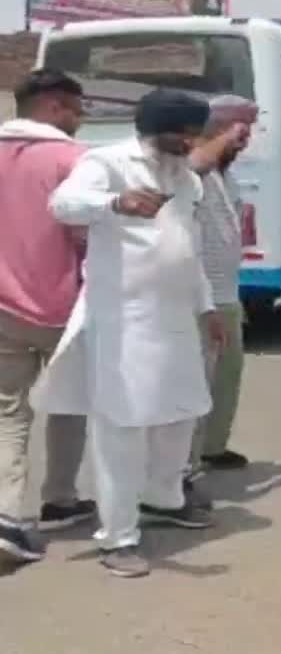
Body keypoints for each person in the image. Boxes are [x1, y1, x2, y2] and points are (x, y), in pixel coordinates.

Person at [33, 89, 227, 578]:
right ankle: (117, 536)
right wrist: (115, 202)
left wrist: (207, 307)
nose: (190, 142)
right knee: (122, 424)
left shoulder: (183, 177)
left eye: (194, 134)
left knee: (180, 412)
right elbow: (64, 204)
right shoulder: (108, 161)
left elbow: (188, 246)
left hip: (177, 317)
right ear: (157, 127)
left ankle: (163, 498)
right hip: (125, 322)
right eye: (183, 133)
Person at [0, 69, 93, 564]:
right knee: (68, 403)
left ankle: (6, 518)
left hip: (1, 310)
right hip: (62, 309)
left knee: (7, 413)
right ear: (56, 107)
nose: (81, 120)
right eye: (78, 110)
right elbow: (85, 236)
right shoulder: (74, 159)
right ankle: (61, 498)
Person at [188, 95, 258, 478]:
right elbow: (195, 164)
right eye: (238, 135)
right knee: (199, 382)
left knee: (227, 376)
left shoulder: (224, 174)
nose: (242, 144)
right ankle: (185, 464)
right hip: (204, 297)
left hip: (228, 292)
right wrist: (223, 136)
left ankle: (213, 447)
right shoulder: (192, 167)